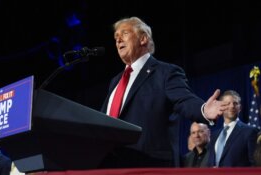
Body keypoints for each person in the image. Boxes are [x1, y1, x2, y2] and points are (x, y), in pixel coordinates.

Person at [100, 16, 228, 168]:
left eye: (125, 33)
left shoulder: (165, 73)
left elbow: (184, 100)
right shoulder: (115, 82)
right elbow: (104, 121)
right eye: (116, 37)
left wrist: (203, 109)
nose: (119, 40)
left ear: (143, 39)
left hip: (148, 165)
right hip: (111, 165)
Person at [208, 90, 258, 167]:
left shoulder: (250, 132)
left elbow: (255, 164)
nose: (232, 106)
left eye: (235, 103)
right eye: (227, 103)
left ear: (240, 108)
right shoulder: (214, 135)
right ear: (221, 107)